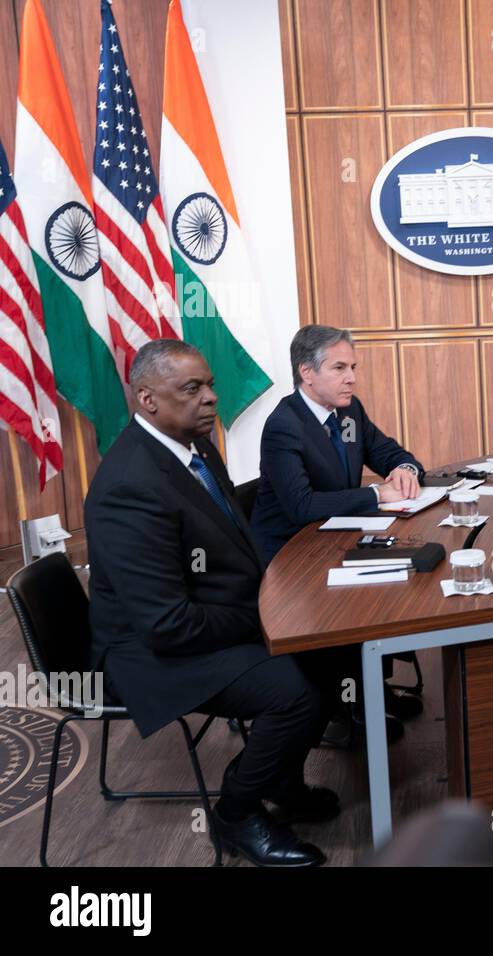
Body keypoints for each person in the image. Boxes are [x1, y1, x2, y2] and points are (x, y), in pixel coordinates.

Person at [86, 339, 334, 867]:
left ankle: (282, 780)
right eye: (192, 389)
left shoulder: (195, 446)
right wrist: (265, 620)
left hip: (210, 617)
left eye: (211, 385)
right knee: (293, 692)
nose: (211, 399)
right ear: (147, 400)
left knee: (331, 652)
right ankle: (236, 813)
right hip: (148, 654)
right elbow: (165, 624)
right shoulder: (129, 486)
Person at [250, 325, 426, 734]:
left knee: (398, 576)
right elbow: (301, 506)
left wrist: (404, 468)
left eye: (353, 367)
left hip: (334, 536)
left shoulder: (349, 412)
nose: (352, 377)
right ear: (306, 373)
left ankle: (371, 689)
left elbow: (392, 453)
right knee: (358, 594)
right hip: (289, 554)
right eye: (340, 368)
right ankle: (346, 704)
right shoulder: (284, 425)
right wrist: (374, 495)